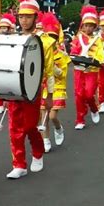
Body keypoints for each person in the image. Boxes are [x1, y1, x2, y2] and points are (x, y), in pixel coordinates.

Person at [5, 0, 54, 179]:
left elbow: (49, 71)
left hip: (33, 90)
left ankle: (37, 153)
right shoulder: (12, 39)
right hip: (14, 89)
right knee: (14, 128)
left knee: (29, 126)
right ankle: (19, 164)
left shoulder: (45, 42)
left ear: (36, 18)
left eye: (28, 16)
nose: (23, 20)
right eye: (21, 17)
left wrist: (50, 95)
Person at [39, 12, 71, 152]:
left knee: (52, 116)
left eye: (54, 37)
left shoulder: (62, 56)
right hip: (43, 88)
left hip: (57, 88)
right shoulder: (39, 53)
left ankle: (58, 128)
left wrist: (51, 67)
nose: (51, 40)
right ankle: (45, 140)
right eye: (49, 37)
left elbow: (62, 74)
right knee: (43, 118)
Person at [70, 6, 104, 130]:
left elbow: (100, 54)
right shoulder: (77, 38)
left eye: (91, 25)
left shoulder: (97, 40)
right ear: (82, 26)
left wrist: (95, 60)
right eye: (86, 25)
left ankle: (94, 108)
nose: (88, 28)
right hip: (79, 70)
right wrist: (74, 55)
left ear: (94, 27)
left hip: (92, 71)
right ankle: (80, 119)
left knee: (89, 94)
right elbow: (73, 51)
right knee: (79, 95)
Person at [98, 8, 104, 113]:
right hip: (102, 64)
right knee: (102, 85)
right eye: (103, 25)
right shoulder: (98, 36)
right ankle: (102, 103)